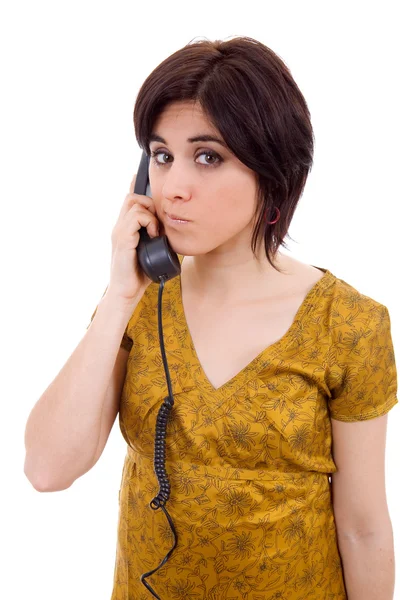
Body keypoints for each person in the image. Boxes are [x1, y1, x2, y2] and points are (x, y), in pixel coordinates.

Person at [24, 36, 398, 599]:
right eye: (161, 155)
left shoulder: (348, 325)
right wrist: (120, 297)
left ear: (272, 170)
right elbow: (47, 471)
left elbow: (364, 527)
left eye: (208, 156)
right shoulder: (136, 304)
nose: (174, 187)